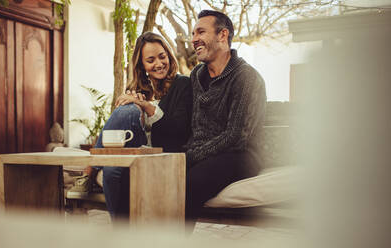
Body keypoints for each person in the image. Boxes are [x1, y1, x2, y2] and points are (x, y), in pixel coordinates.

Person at [67, 32, 192, 221]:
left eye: (162, 56)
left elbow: (179, 130)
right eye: (150, 60)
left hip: (163, 153)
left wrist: (146, 107)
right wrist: (136, 104)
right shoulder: (137, 89)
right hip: (133, 150)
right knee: (112, 167)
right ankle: (122, 235)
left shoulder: (183, 84)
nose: (158, 64)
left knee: (132, 110)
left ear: (169, 55)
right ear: (142, 65)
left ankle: (89, 171)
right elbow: (121, 129)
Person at [184, 10, 267, 232]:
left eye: (201, 31)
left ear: (223, 35)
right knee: (160, 177)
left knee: (190, 183)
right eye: (193, 33)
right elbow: (195, 125)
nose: (193, 39)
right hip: (204, 153)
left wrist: (189, 157)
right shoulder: (196, 76)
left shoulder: (245, 77)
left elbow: (236, 137)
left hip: (243, 155)